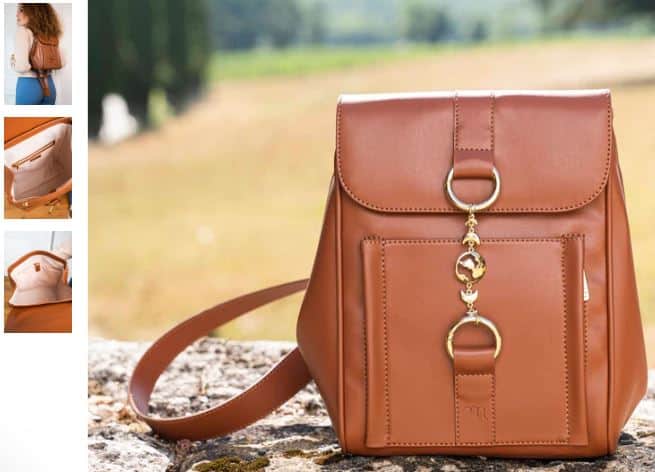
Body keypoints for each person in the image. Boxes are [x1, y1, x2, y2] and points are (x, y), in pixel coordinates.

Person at [10, 3, 65, 105]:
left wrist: (13, 61)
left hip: (29, 86)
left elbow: (22, 67)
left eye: (21, 10)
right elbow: (62, 62)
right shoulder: (51, 35)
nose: (16, 14)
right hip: (50, 86)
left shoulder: (23, 31)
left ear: (34, 11)